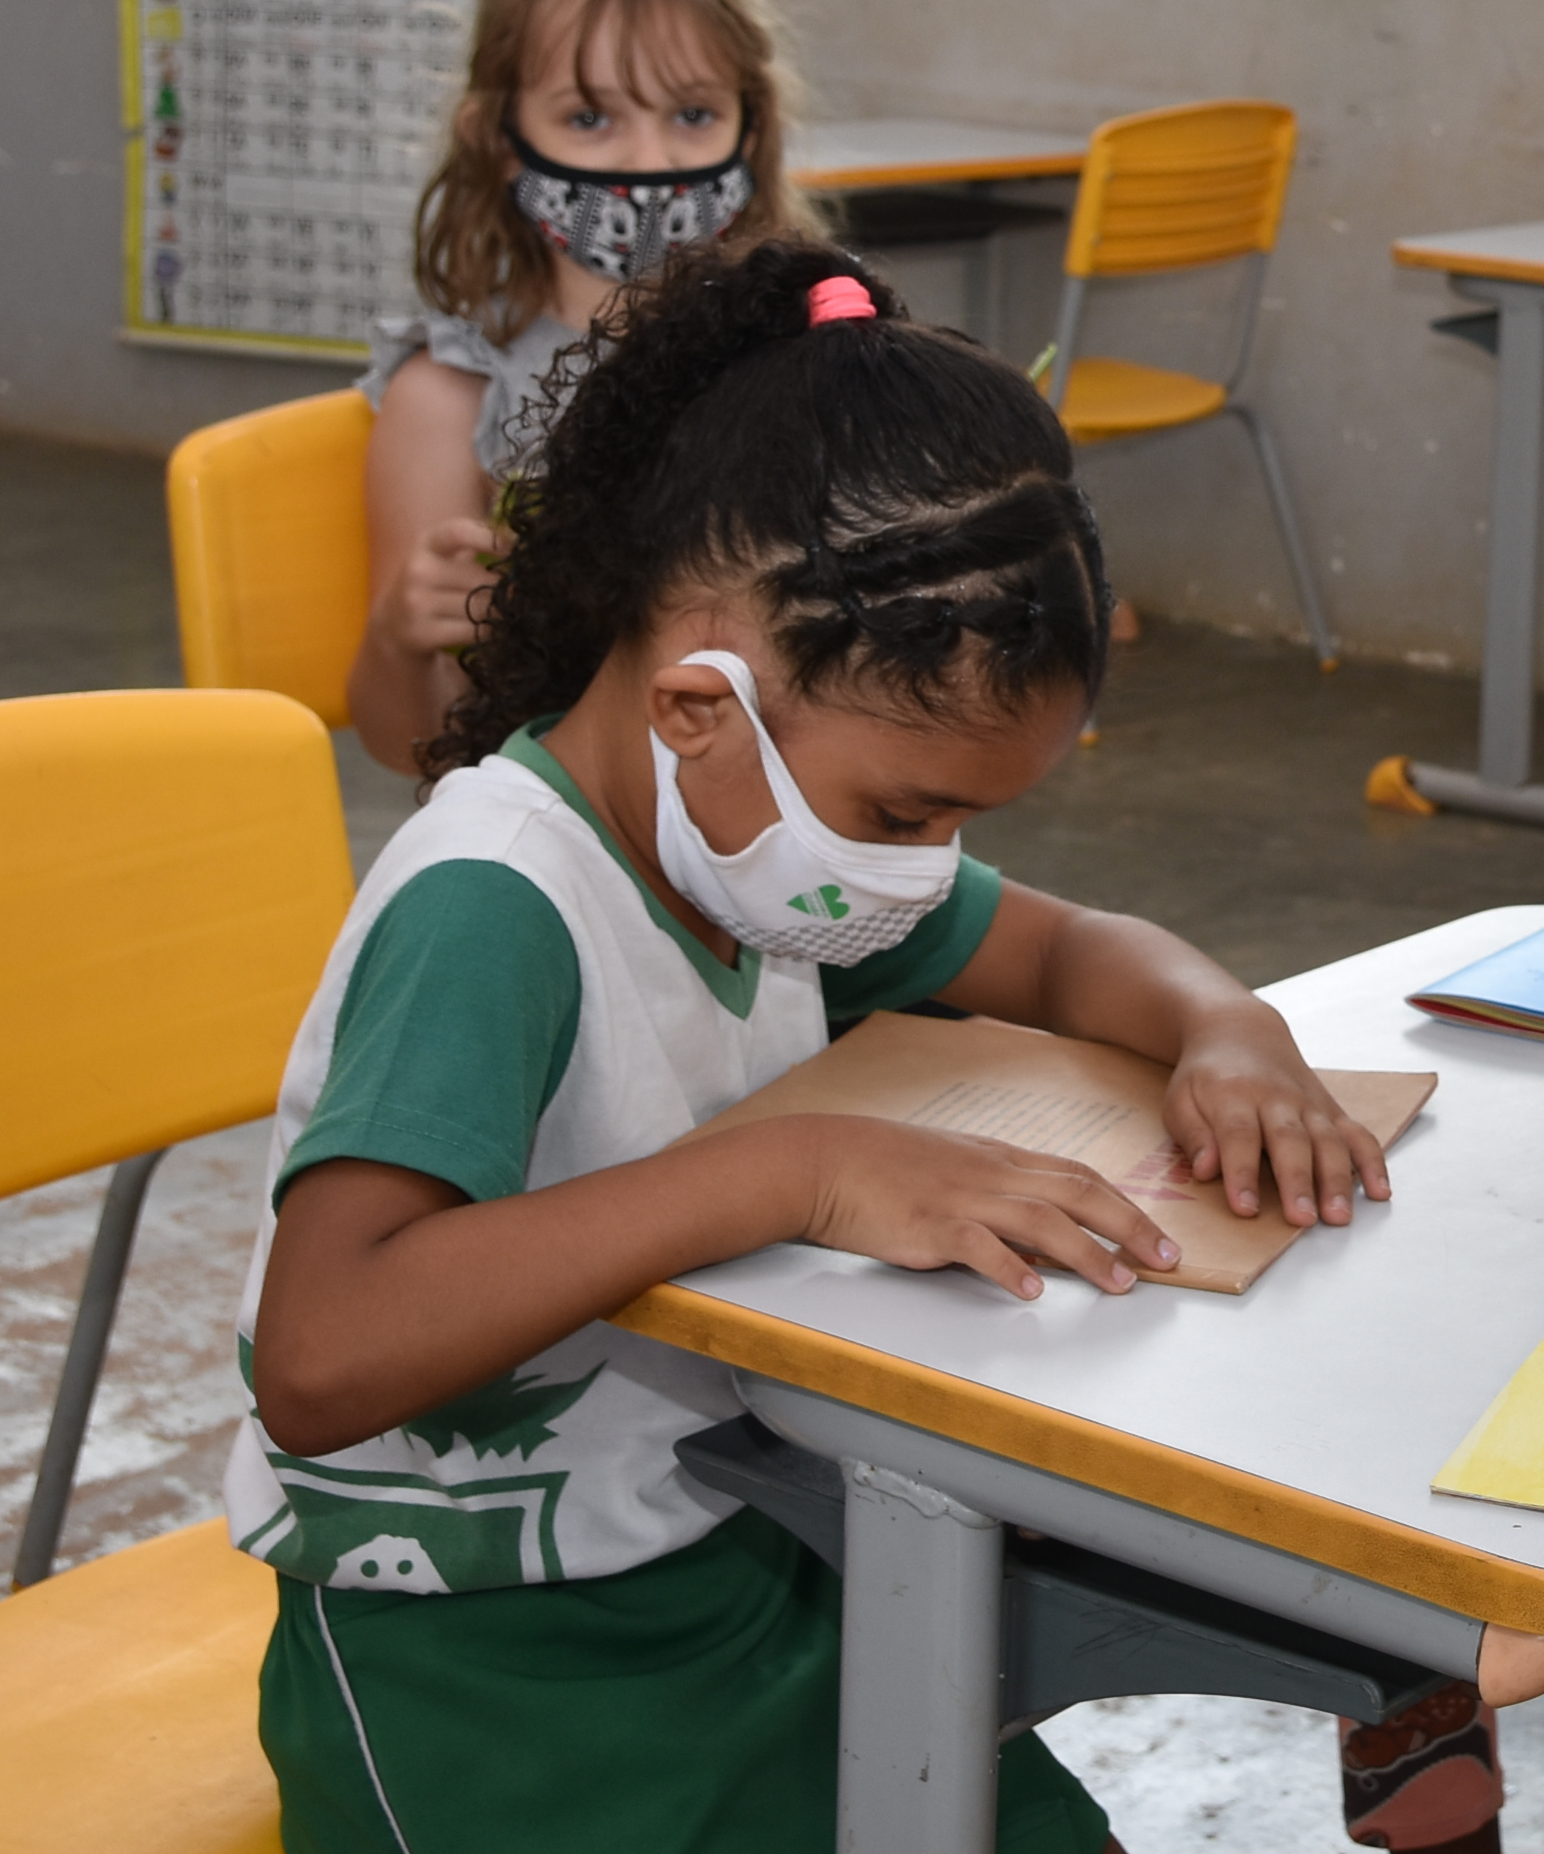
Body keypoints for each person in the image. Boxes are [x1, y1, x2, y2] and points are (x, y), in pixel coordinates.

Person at [236, 238, 1393, 1854]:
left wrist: (1227, 1025)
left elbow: (1066, 951)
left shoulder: (751, 844)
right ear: (698, 705)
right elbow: (321, 1355)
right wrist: (796, 1173)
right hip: (484, 1667)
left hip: (738, 1552)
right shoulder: (495, 906)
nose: (925, 865)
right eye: (906, 815)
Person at [348, 0, 824, 774]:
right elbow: (412, 746)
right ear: (498, 139)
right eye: (589, 118)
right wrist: (400, 636)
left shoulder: (804, 348)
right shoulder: (451, 397)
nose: (649, 161)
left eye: (692, 115)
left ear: (751, 125)